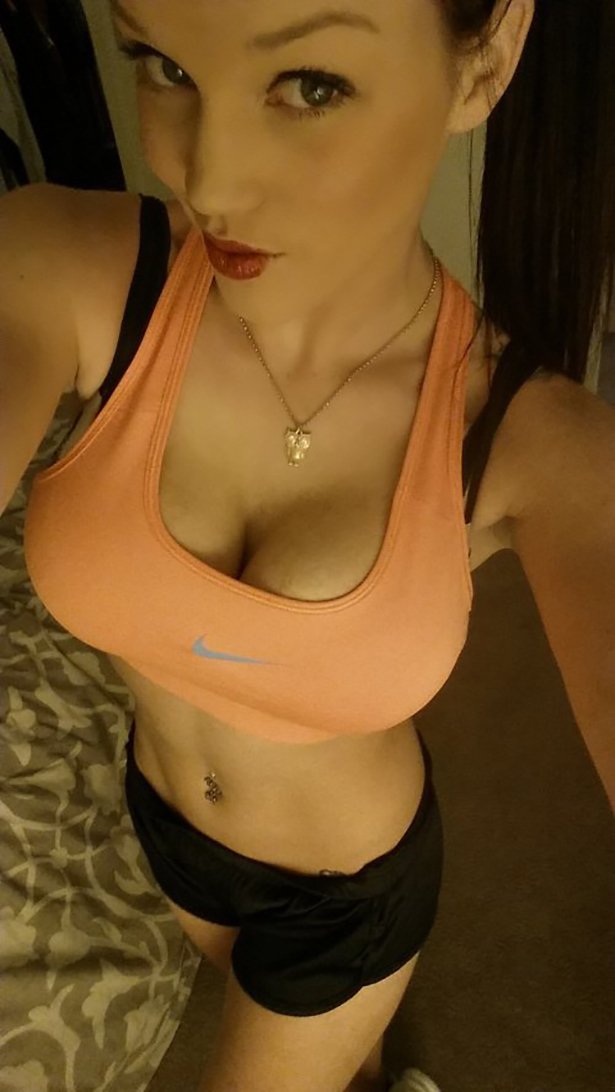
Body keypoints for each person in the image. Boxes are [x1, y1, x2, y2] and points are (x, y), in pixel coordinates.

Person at [8, 1, 613, 1090]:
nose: (208, 180)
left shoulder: (535, 436)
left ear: (485, 58)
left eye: (311, 86)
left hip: (346, 896)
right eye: (163, 64)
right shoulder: (69, 265)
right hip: (168, 824)